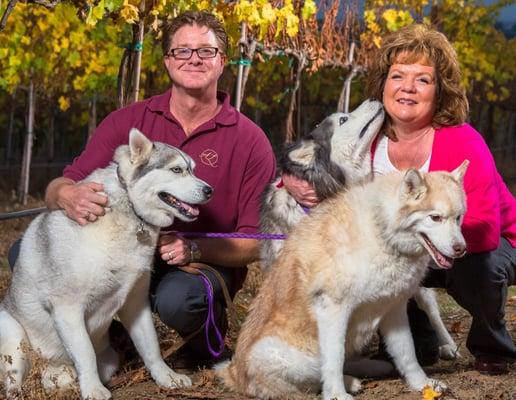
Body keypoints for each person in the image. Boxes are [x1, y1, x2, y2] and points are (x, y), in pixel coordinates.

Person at [10, 11, 276, 365]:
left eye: (206, 51)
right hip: (124, 253)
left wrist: (194, 248)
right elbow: (60, 186)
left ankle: (202, 340)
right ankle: (113, 336)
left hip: (194, 266)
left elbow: (258, 242)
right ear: (167, 60)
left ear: (222, 61)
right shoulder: (129, 121)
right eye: (182, 51)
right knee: (26, 254)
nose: (194, 58)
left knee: (180, 300)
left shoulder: (249, 140)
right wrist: (65, 195)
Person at [283, 24, 515, 375]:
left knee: (482, 266)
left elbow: (483, 230)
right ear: (383, 85)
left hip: (487, 244)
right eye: (397, 76)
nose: (408, 87)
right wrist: (291, 181)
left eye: (422, 79)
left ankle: (491, 344)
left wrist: (405, 237)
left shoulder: (462, 141)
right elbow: (323, 170)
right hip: (411, 247)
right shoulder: (367, 138)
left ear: (439, 91)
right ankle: (417, 343)